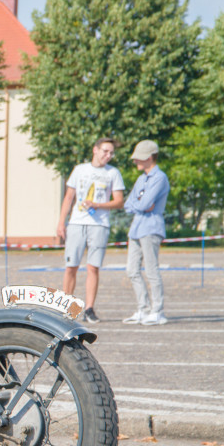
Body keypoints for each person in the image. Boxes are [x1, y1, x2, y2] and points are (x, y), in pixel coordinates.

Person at [56, 137, 125, 323]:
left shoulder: (113, 173)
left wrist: (97, 204)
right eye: (105, 151)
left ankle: (89, 309)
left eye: (111, 153)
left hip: (99, 224)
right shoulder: (80, 170)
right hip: (77, 223)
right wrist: (61, 222)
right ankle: (66, 307)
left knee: (93, 267)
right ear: (95, 150)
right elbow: (69, 197)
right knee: (71, 266)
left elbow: (119, 201)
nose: (108, 155)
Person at [123, 139, 170, 326]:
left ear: (149, 157)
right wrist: (141, 205)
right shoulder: (141, 179)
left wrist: (141, 204)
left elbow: (144, 204)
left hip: (151, 228)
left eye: (139, 158)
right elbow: (129, 205)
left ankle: (157, 311)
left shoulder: (160, 177)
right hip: (136, 228)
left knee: (151, 270)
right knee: (132, 270)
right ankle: (142, 309)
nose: (136, 162)